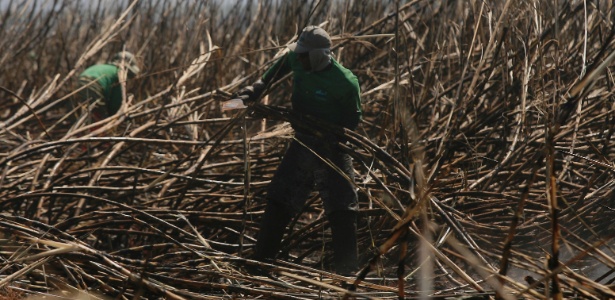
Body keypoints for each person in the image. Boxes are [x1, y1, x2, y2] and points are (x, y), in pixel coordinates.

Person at [237, 25, 362, 275]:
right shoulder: (296, 58)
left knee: (342, 207)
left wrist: (332, 133)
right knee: (279, 198)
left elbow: (352, 120)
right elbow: (271, 76)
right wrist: (253, 91)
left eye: (305, 55)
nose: (300, 58)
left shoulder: (345, 82)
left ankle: (347, 275)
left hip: (333, 146)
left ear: (320, 55)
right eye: (299, 53)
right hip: (303, 140)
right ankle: (261, 264)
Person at [72, 51, 140, 128]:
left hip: (80, 83)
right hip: (94, 87)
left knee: (82, 114)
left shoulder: (103, 67)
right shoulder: (119, 73)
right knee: (98, 118)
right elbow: (115, 102)